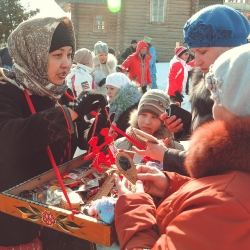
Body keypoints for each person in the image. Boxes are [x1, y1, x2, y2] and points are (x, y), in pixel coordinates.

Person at [114, 43, 250, 250]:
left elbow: (216, 206)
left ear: (237, 105)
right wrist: (173, 185)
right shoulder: (235, 177)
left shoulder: (226, 204)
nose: (213, 111)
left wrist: (135, 207)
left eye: (216, 100)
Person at [0, 17, 107, 249]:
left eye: (69, 54)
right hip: (17, 221)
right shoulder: (6, 91)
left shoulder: (58, 93)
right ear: (34, 55)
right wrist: (72, 113)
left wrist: (99, 122)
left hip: (58, 214)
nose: (67, 64)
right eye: (57, 55)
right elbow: (7, 139)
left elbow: (80, 139)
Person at [132, 4, 250, 174]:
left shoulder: (243, 90)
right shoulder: (202, 80)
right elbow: (206, 135)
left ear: (232, 50)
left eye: (203, 52)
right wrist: (186, 126)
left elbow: (225, 161)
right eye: (194, 53)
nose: (196, 61)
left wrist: (167, 156)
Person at [115, 89, 182, 153]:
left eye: (154, 117)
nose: (147, 122)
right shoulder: (120, 145)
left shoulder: (175, 150)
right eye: (143, 115)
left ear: (164, 121)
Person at [106, 72, 142, 139]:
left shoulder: (132, 108)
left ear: (122, 89)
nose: (108, 92)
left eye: (112, 88)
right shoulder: (112, 104)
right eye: (107, 88)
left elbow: (127, 132)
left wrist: (114, 127)